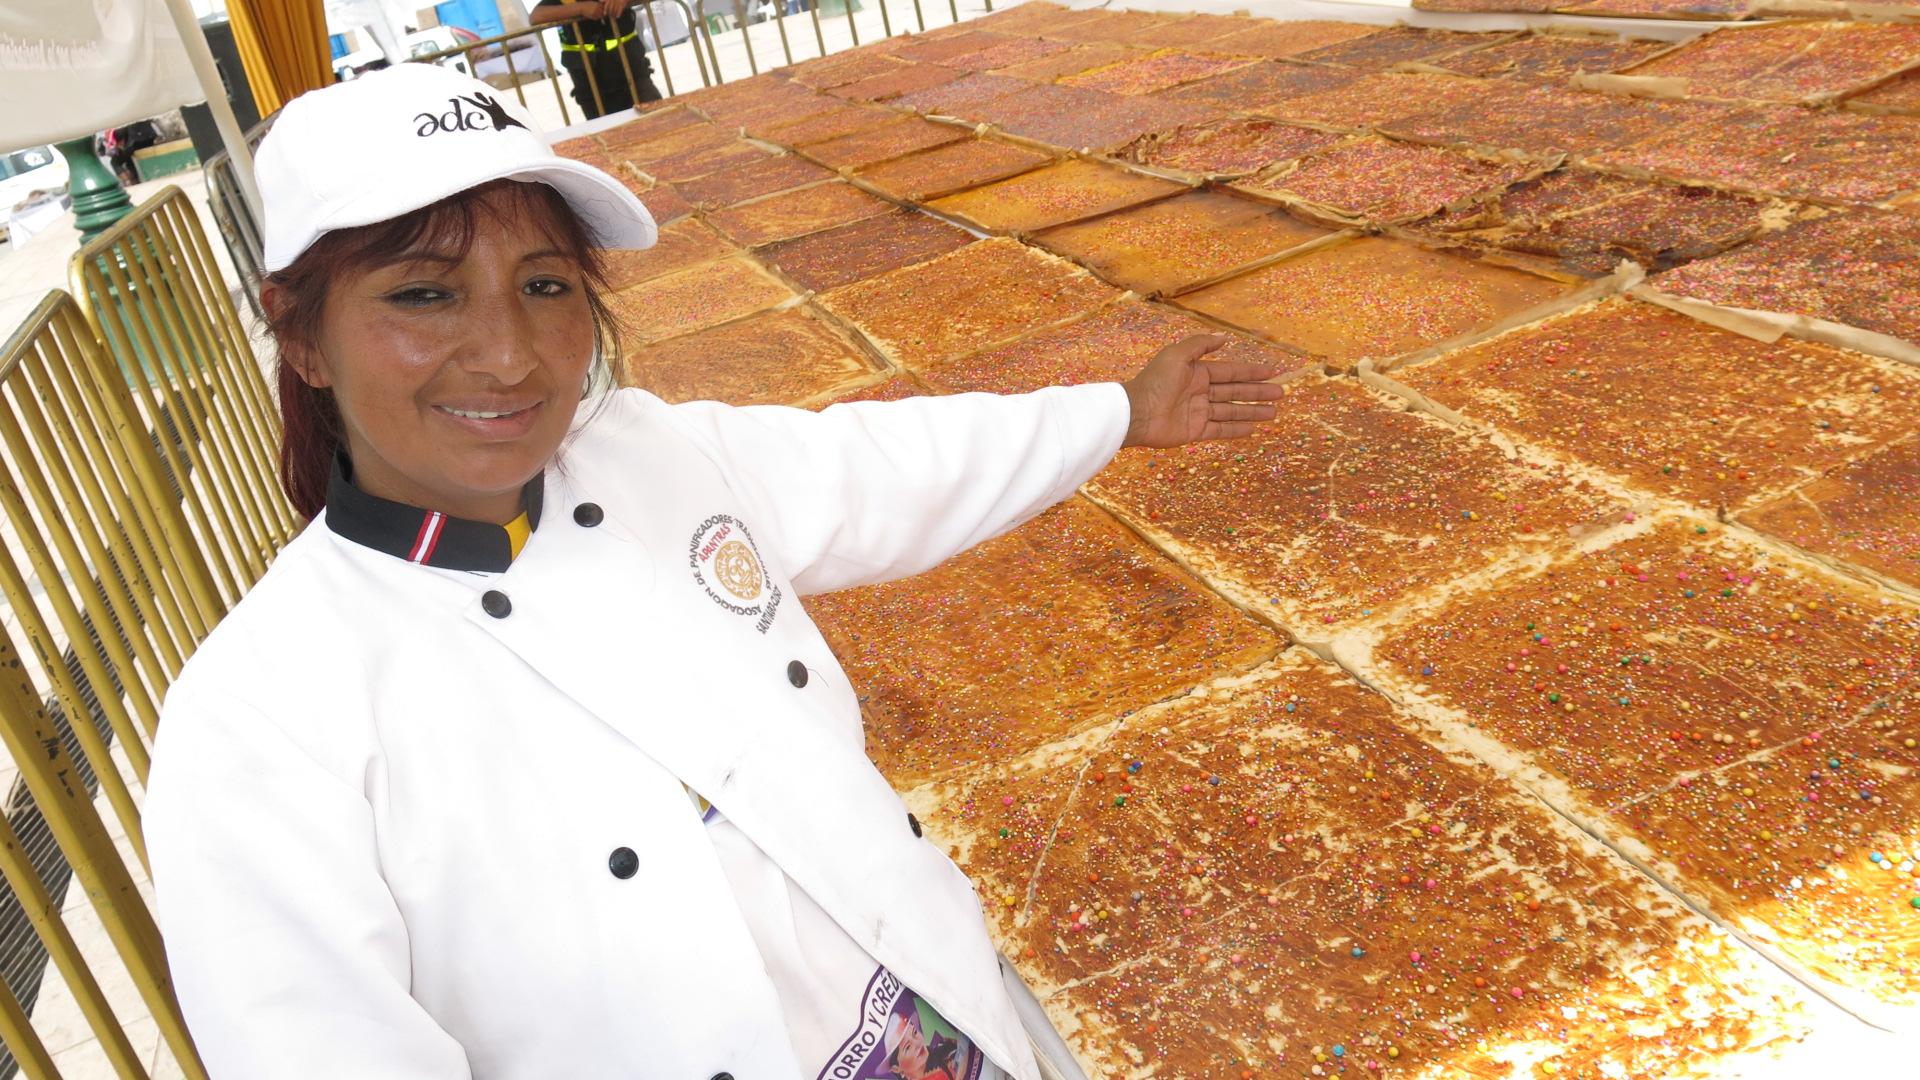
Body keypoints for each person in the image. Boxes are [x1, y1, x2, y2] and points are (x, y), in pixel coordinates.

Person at [141, 63, 1284, 1079]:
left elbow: (885, 467)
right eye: (422, 294)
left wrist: (1118, 413)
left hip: (949, 1019)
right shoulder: (257, 720)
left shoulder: (653, 455)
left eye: (546, 285)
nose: (507, 353)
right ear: (298, 334)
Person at [528, 0, 663, 118]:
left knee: (659, 120)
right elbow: (536, 16)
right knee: (610, 138)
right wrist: (580, 8)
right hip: (591, 88)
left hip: (634, 76)